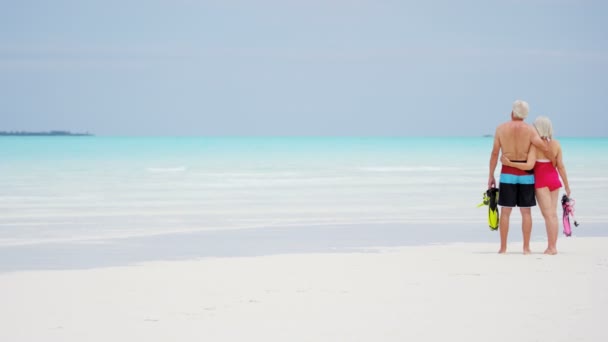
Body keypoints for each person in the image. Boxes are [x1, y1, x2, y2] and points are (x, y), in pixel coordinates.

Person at [501, 116, 571, 255]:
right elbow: (561, 167)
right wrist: (567, 186)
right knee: (553, 214)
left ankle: (552, 248)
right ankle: (553, 246)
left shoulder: (534, 145)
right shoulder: (556, 144)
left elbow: (529, 165)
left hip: (542, 182)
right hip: (554, 180)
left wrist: (509, 163)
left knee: (548, 215)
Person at [488, 100, 546, 254]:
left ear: (512, 112)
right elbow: (542, 146)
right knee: (526, 212)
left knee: (505, 211)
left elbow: (495, 153)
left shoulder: (501, 128)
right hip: (526, 174)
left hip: (507, 173)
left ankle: (503, 248)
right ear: (525, 115)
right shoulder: (530, 130)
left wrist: (491, 175)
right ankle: (526, 248)